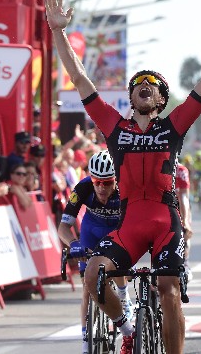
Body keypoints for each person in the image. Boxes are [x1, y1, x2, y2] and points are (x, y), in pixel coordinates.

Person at [46, 0, 201, 354]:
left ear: (161, 100)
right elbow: (80, 80)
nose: (145, 85)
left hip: (164, 223)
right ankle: (126, 327)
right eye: (139, 83)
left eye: (153, 85)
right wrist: (58, 30)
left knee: (169, 289)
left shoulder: (173, 126)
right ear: (131, 97)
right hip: (129, 224)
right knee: (93, 273)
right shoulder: (114, 127)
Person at [56, 151, 132, 354]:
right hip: (91, 229)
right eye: (97, 181)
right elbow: (63, 228)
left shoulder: (126, 188)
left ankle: (124, 297)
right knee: (87, 288)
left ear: (115, 180)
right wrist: (73, 244)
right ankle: (86, 341)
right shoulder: (82, 187)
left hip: (117, 229)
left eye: (107, 183)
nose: (101, 187)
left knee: (117, 263)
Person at [175, 160, 194, 281]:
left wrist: (185, 221)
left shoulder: (181, 170)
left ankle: (186, 262)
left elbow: (184, 197)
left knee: (185, 230)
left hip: (178, 203)